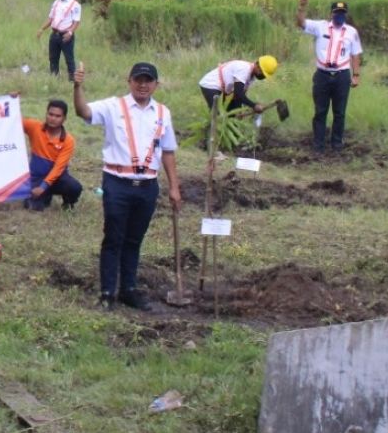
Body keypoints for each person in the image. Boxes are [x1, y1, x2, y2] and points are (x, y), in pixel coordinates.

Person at [73, 61, 181, 312]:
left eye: (148, 80)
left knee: (134, 240)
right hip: (117, 182)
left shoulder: (163, 113)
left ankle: (128, 290)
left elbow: (168, 151)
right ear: (129, 81)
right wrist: (77, 87)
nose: (143, 85)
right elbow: (83, 112)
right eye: (138, 80)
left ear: (156, 84)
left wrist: (174, 187)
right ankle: (108, 292)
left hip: (147, 186)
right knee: (113, 238)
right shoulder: (113, 106)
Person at [296, 0, 363, 153]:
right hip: (323, 75)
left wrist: (356, 75)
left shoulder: (351, 32)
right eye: (336, 13)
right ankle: (318, 146)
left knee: (339, 113)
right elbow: (301, 23)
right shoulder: (321, 27)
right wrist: (302, 7)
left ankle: (337, 145)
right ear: (331, 14)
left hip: (341, 75)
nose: (339, 15)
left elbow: (355, 55)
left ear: (345, 15)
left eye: (342, 13)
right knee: (320, 111)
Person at [21, 99, 82, 211]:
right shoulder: (35, 127)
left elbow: (58, 168)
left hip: (58, 178)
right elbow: (15, 121)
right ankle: (45, 196)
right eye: (50, 114)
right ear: (46, 114)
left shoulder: (68, 141)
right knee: (32, 207)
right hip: (37, 178)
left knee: (75, 188)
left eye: (58, 116)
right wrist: (12, 101)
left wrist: (43, 187)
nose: (53, 118)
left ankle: (68, 203)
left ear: (64, 119)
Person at [198, 56, 277, 112]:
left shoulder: (252, 76)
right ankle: (210, 133)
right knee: (216, 115)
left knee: (231, 115)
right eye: (262, 72)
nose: (262, 76)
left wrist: (240, 110)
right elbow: (238, 93)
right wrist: (254, 106)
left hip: (225, 88)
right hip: (210, 84)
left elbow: (238, 96)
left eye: (264, 75)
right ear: (257, 65)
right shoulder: (244, 69)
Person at [36, 0, 81, 80]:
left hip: (66, 35)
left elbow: (76, 22)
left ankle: (72, 81)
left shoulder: (75, 4)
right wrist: (42, 29)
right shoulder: (56, 3)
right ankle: (54, 78)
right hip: (55, 34)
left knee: (69, 59)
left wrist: (70, 32)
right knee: (53, 58)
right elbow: (50, 19)